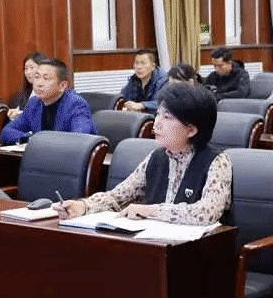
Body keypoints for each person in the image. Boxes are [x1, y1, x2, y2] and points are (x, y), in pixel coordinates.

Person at [54, 84, 231, 226]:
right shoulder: (157, 157)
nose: (156, 124)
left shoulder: (216, 161)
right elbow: (117, 197)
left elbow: (206, 212)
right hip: (155, 244)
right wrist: (83, 206)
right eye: (158, 114)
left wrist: (151, 211)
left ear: (191, 130)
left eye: (167, 117)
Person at [1, 58, 96, 144]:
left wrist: (44, 142)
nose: (39, 83)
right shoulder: (34, 103)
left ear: (62, 86)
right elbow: (7, 132)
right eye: (37, 77)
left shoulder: (76, 104)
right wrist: (30, 139)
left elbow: (80, 139)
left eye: (46, 78)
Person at [120, 48, 168, 113]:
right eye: (136, 63)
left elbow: (162, 104)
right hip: (140, 116)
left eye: (143, 63)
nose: (139, 67)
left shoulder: (163, 80)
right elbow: (123, 96)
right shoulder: (134, 80)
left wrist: (142, 105)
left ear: (153, 66)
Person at [7, 51, 47, 120]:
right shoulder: (19, 96)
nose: (28, 72)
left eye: (32, 68)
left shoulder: (50, 95)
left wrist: (20, 114)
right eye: (26, 69)